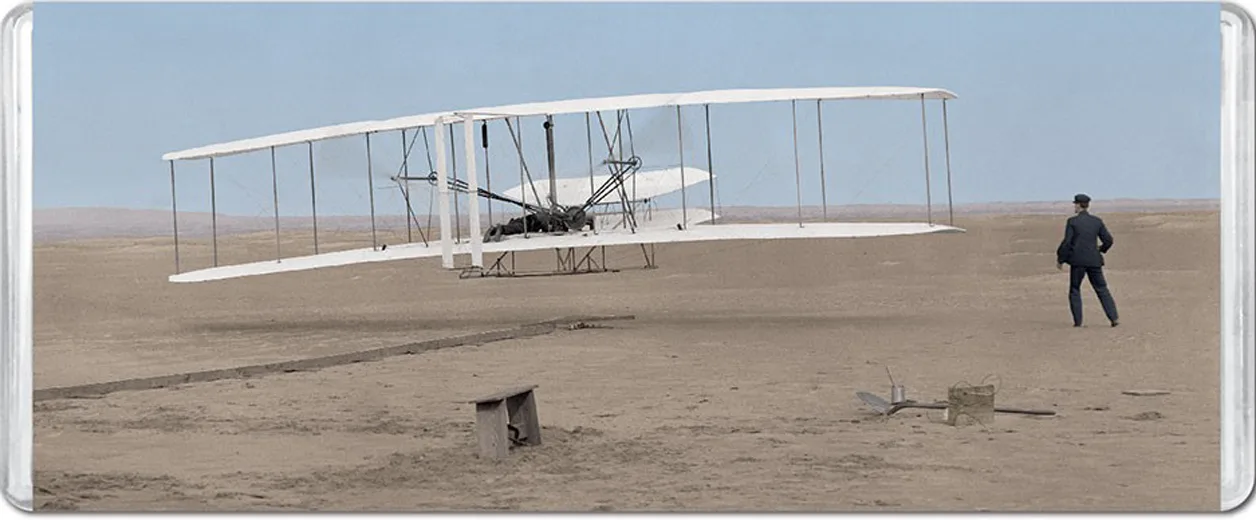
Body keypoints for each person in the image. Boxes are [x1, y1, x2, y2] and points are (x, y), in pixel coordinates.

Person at [1056, 193, 1120, 327]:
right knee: (1102, 288)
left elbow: (1067, 242)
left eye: (1075, 204)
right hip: (1094, 261)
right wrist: (1101, 249)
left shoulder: (1072, 222)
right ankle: (1114, 318)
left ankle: (1078, 322)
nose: (1074, 206)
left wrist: (1061, 258)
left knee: (1075, 289)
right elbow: (1108, 240)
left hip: (1078, 261)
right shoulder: (1096, 221)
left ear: (1078, 205)